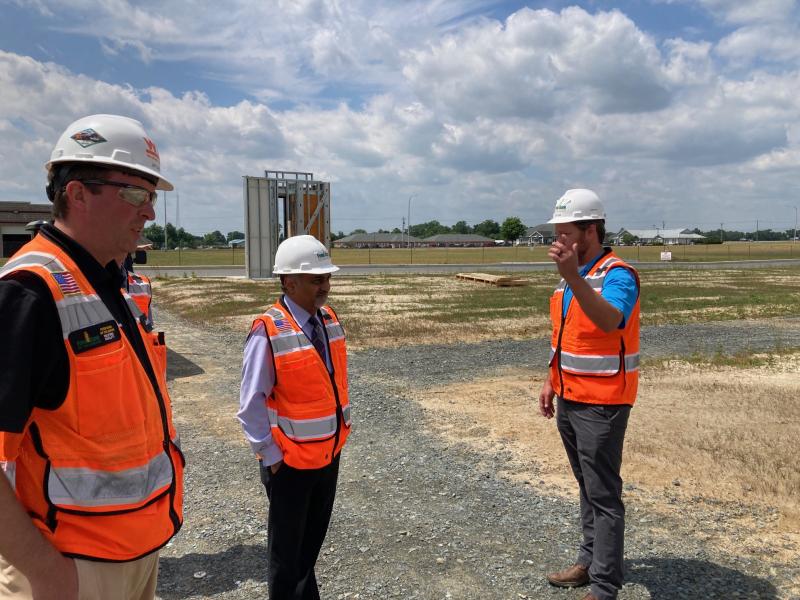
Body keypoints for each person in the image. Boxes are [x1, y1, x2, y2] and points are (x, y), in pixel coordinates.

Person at [0, 114, 184, 600]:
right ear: (78, 194)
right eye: (135, 194)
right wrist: (44, 571)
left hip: (135, 554)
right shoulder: (30, 292)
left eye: (152, 197)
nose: (149, 213)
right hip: (73, 570)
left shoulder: (104, 282)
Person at [538, 189, 640, 600]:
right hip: (570, 395)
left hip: (603, 402)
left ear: (591, 230)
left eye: (566, 234)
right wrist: (550, 380)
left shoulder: (618, 274)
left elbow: (610, 320)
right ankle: (590, 560)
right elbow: (565, 338)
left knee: (603, 492)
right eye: (556, 235)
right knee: (587, 485)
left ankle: (604, 586)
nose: (558, 243)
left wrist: (574, 278)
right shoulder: (571, 281)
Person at [238, 235, 351, 600]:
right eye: (317, 279)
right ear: (289, 282)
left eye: (327, 278)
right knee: (286, 558)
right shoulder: (268, 331)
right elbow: (250, 405)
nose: (325, 286)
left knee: (308, 549)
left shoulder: (328, 319)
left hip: (327, 455)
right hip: (289, 464)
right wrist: (271, 457)